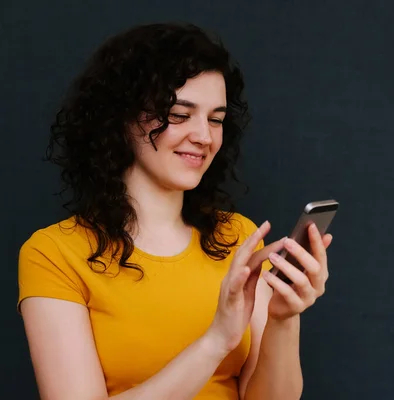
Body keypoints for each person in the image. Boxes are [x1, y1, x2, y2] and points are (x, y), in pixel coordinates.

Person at [17, 22, 332, 400]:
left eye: (216, 119)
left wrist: (284, 319)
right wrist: (216, 341)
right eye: (180, 115)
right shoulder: (53, 253)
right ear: (121, 118)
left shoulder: (237, 237)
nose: (204, 136)